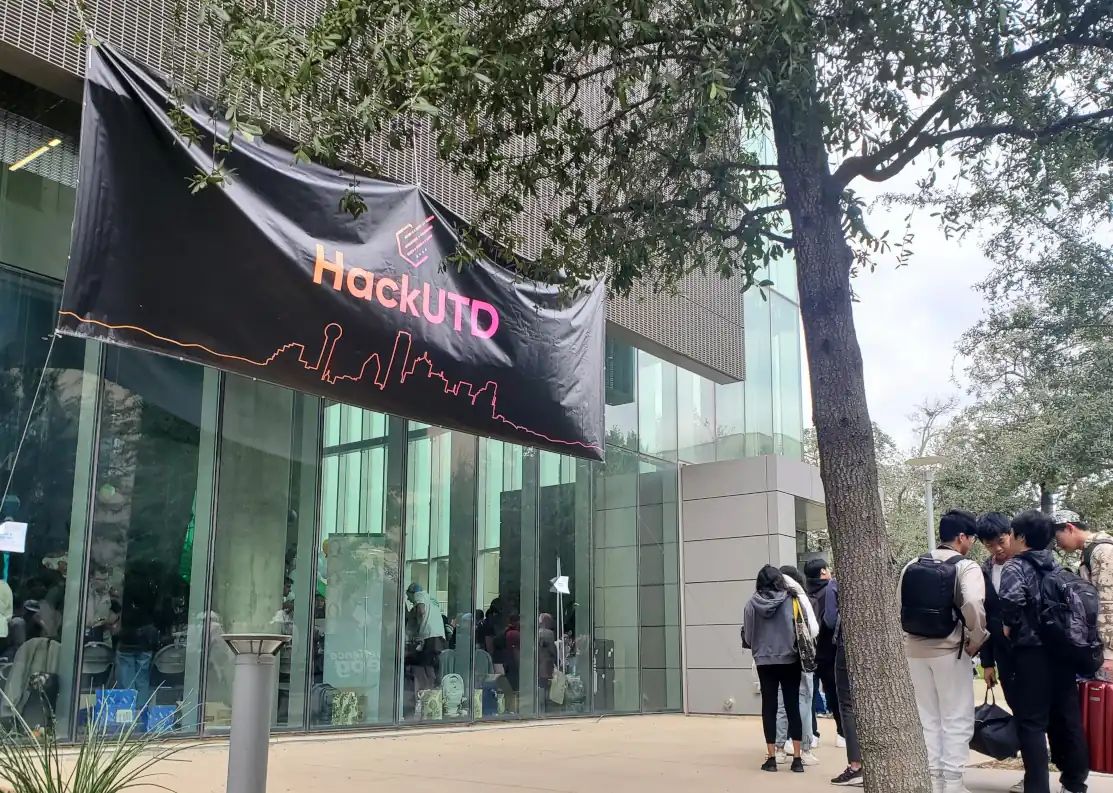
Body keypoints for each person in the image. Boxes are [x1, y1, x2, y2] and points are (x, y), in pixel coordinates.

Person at [898, 509, 987, 793]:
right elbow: (972, 604)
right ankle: (953, 783)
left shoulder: (911, 564)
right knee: (956, 717)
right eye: (971, 537)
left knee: (928, 718)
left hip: (914, 649)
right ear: (961, 537)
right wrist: (977, 638)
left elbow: (899, 604)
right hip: (951, 651)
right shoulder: (966, 567)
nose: (972, 543)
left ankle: (933, 780)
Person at [999, 510, 1089, 793]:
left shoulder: (1016, 567)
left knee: (1032, 723)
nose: (1010, 539)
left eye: (1012, 534)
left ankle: (1037, 787)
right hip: (1063, 653)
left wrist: (1009, 626)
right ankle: (1075, 783)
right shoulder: (1058, 568)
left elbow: (1011, 602)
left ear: (1022, 537)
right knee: (1067, 718)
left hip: (1031, 655)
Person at [743, 565, 807, 774]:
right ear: (780, 580)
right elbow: (801, 627)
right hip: (790, 658)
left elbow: (749, 637)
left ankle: (771, 758)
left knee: (768, 706)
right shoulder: (792, 599)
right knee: (792, 705)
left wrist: (760, 647)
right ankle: (797, 759)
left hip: (764, 660)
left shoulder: (751, 604)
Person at [1054, 508, 1113, 681]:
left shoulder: (1103, 551)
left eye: (1058, 539)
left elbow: (1108, 604)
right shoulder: (1090, 552)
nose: (1058, 546)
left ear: (1069, 528)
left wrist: (1108, 652)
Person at [774, 565, 820, 766]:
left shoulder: (770, 600)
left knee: (782, 704)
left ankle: (779, 748)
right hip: (801, 659)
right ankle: (804, 749)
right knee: (803, 702)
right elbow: (814, 629)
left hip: (777, 659)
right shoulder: (801, 599)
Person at [823, 573, 864, 786]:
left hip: (847, 646)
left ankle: (856, 765)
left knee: (847, 705)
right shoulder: (877, 576)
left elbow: (830, 619)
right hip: (878, 646)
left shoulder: (835, 584)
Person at [805, 558, 844, 749]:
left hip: (808, 651)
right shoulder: (831, 589)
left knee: (809, 695)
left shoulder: (804, 594)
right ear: (822, 572)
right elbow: (831, 619)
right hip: (829, 648)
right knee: (835, 692)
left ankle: (812, 734)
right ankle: (842, 733)